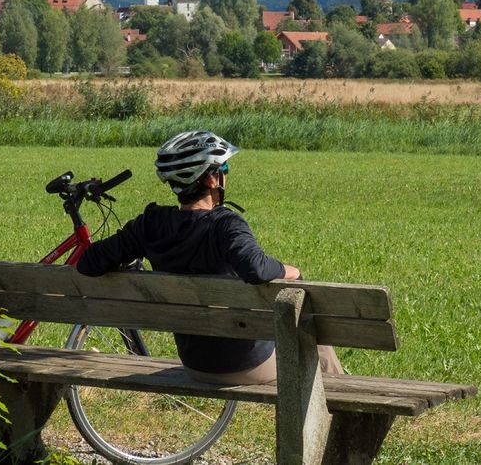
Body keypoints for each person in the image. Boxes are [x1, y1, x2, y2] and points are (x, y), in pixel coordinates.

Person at [76, 129, 343, 385]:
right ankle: (342, 398)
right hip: (249, 365)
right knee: (309, 328)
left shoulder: (150, 224)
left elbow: (88, 263)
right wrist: (291, 271)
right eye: (224, 168)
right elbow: (255, 268)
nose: (226, 174)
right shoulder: (225, 225)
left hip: (195, 365)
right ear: (213, 180)